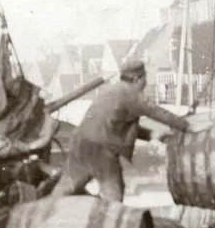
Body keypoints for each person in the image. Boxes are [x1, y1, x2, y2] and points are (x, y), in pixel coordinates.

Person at [52, 59, 194, 202]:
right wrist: (186, 126)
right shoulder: (131, 93)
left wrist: (151, 134)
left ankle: (44, 212)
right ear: (136, 78)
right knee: (113, 194)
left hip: (80, 143)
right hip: (101, 149)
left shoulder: (110, 90)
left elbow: (116, 124)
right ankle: (112, 218)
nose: (146, 82)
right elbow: (158, 113)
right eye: (145, 78)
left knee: (66, 186)